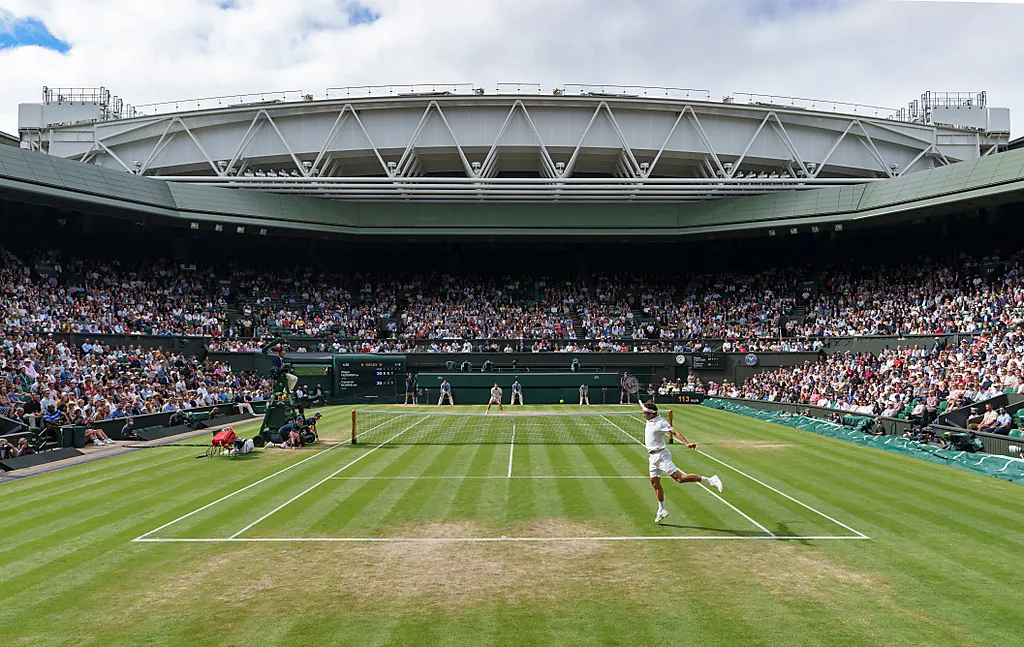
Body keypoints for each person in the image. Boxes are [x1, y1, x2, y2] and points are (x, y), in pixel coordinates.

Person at [640, 400, 722, 523]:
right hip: (652, 458)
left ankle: (711, 480)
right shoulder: (649, 417)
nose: (643, 415)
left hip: (662, 456)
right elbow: (645, 407)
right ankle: (661, 509)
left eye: (645, 413)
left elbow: (674, 432)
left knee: (680, 479)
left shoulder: (661, 422)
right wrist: (644, 406)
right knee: (654, 482)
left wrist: (687, 443)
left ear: (651, 414)